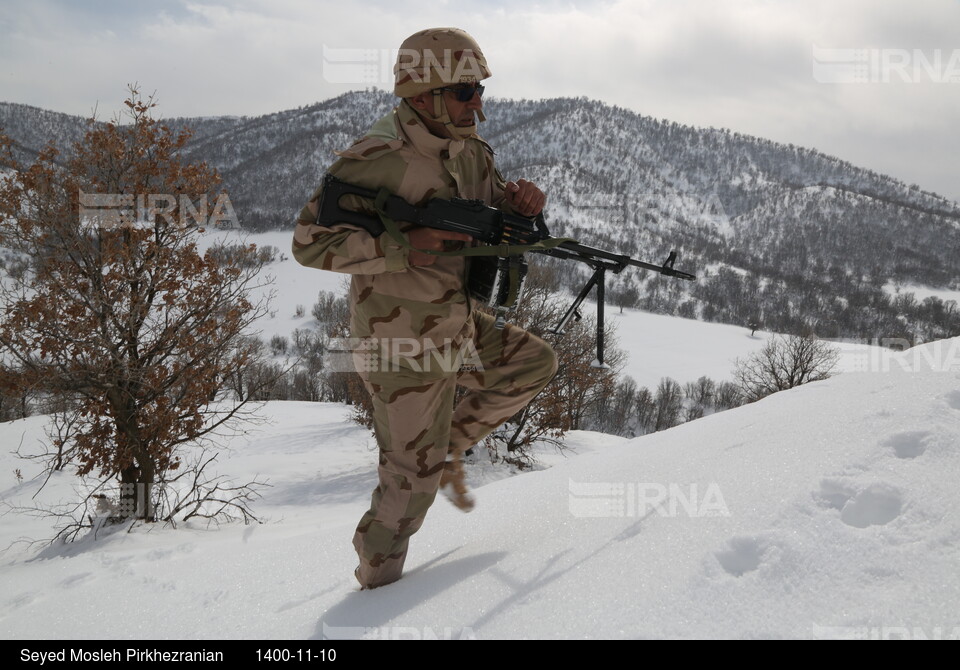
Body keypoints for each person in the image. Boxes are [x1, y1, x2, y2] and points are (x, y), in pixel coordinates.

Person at [293, 27, 557, 590]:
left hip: (457, 324)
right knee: (408, 487)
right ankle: (373, 588)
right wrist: (400, 246)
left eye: (480, 90)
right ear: (423, 93)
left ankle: (442, 453)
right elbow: (308, 242)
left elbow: (489, 208)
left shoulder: (470, 151)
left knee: (533, 364)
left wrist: (517, 203)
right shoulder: (375, 158)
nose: (477, 103)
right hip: (400, 342)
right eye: (465, 91)